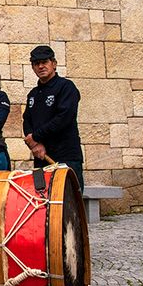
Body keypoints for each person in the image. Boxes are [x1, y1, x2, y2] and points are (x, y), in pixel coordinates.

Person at [23, 45, 84, 190]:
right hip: (41, 157)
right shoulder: (33, 94)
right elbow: (27, 120)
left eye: (45, 62)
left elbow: (64, 118)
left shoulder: (66, 87)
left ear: (54, 64)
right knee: (43, 202)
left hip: (65, 157)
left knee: (68, 203)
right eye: (36, 63)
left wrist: (36, 136)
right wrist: (34, 145)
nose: (41, 66)